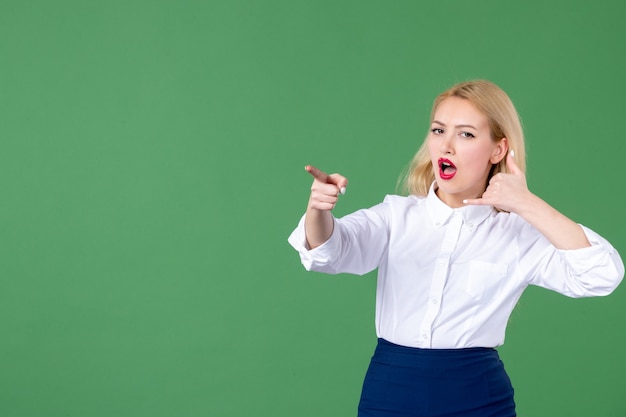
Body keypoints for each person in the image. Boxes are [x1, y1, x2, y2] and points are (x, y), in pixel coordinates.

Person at [287, 79, 624, 417]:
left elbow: (601, 274)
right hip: (389, 393)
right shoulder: (396, 216)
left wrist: (528, 204)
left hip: (477, 398)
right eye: (438, 131)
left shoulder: (518, 234)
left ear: (498, 149)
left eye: (465, 134)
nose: (446, 146)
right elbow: (329, 250)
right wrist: (318, 209)